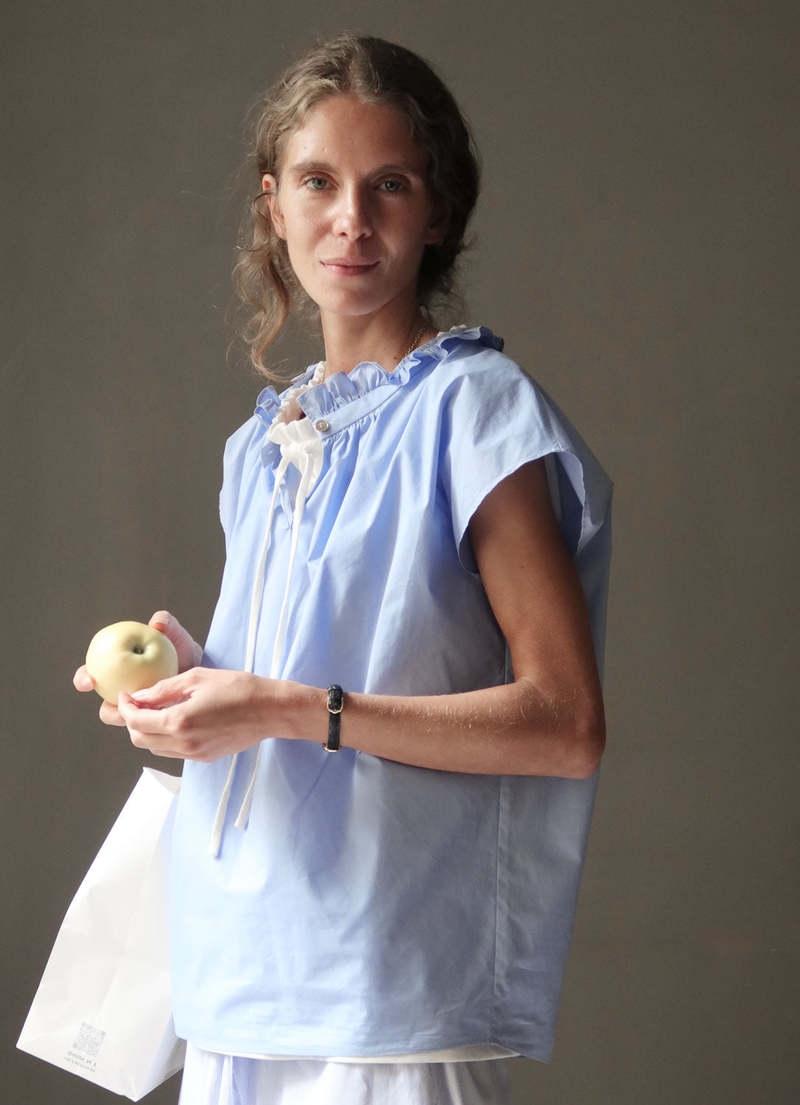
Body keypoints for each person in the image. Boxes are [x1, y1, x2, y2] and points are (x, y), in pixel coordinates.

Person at [74, 32, 612, 1105]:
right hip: (232, 982)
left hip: (387, 999)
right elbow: (326, 673)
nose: (351, 219)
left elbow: (564, 724)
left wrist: (278, 705)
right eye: (318, 181)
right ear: (273, 205)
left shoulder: (475, 409)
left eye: (390, 185)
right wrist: (192, 687)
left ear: (438, 211)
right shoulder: (258, 446)